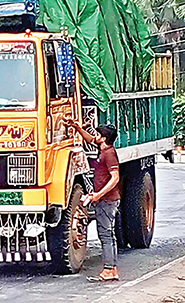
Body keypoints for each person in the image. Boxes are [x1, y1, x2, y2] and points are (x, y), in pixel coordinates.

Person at [66, 120, 121, 282]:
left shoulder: (109, 154)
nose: (95, 137)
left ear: (104, 138)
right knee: (108, 235)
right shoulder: (102, 148)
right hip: (104, 199)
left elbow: (115, 178)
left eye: (98, 134)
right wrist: (77, 128)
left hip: (107, 201)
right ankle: (112, 269)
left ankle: (109, 270)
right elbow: (89, 139)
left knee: (106, 235)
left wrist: (98, 195)